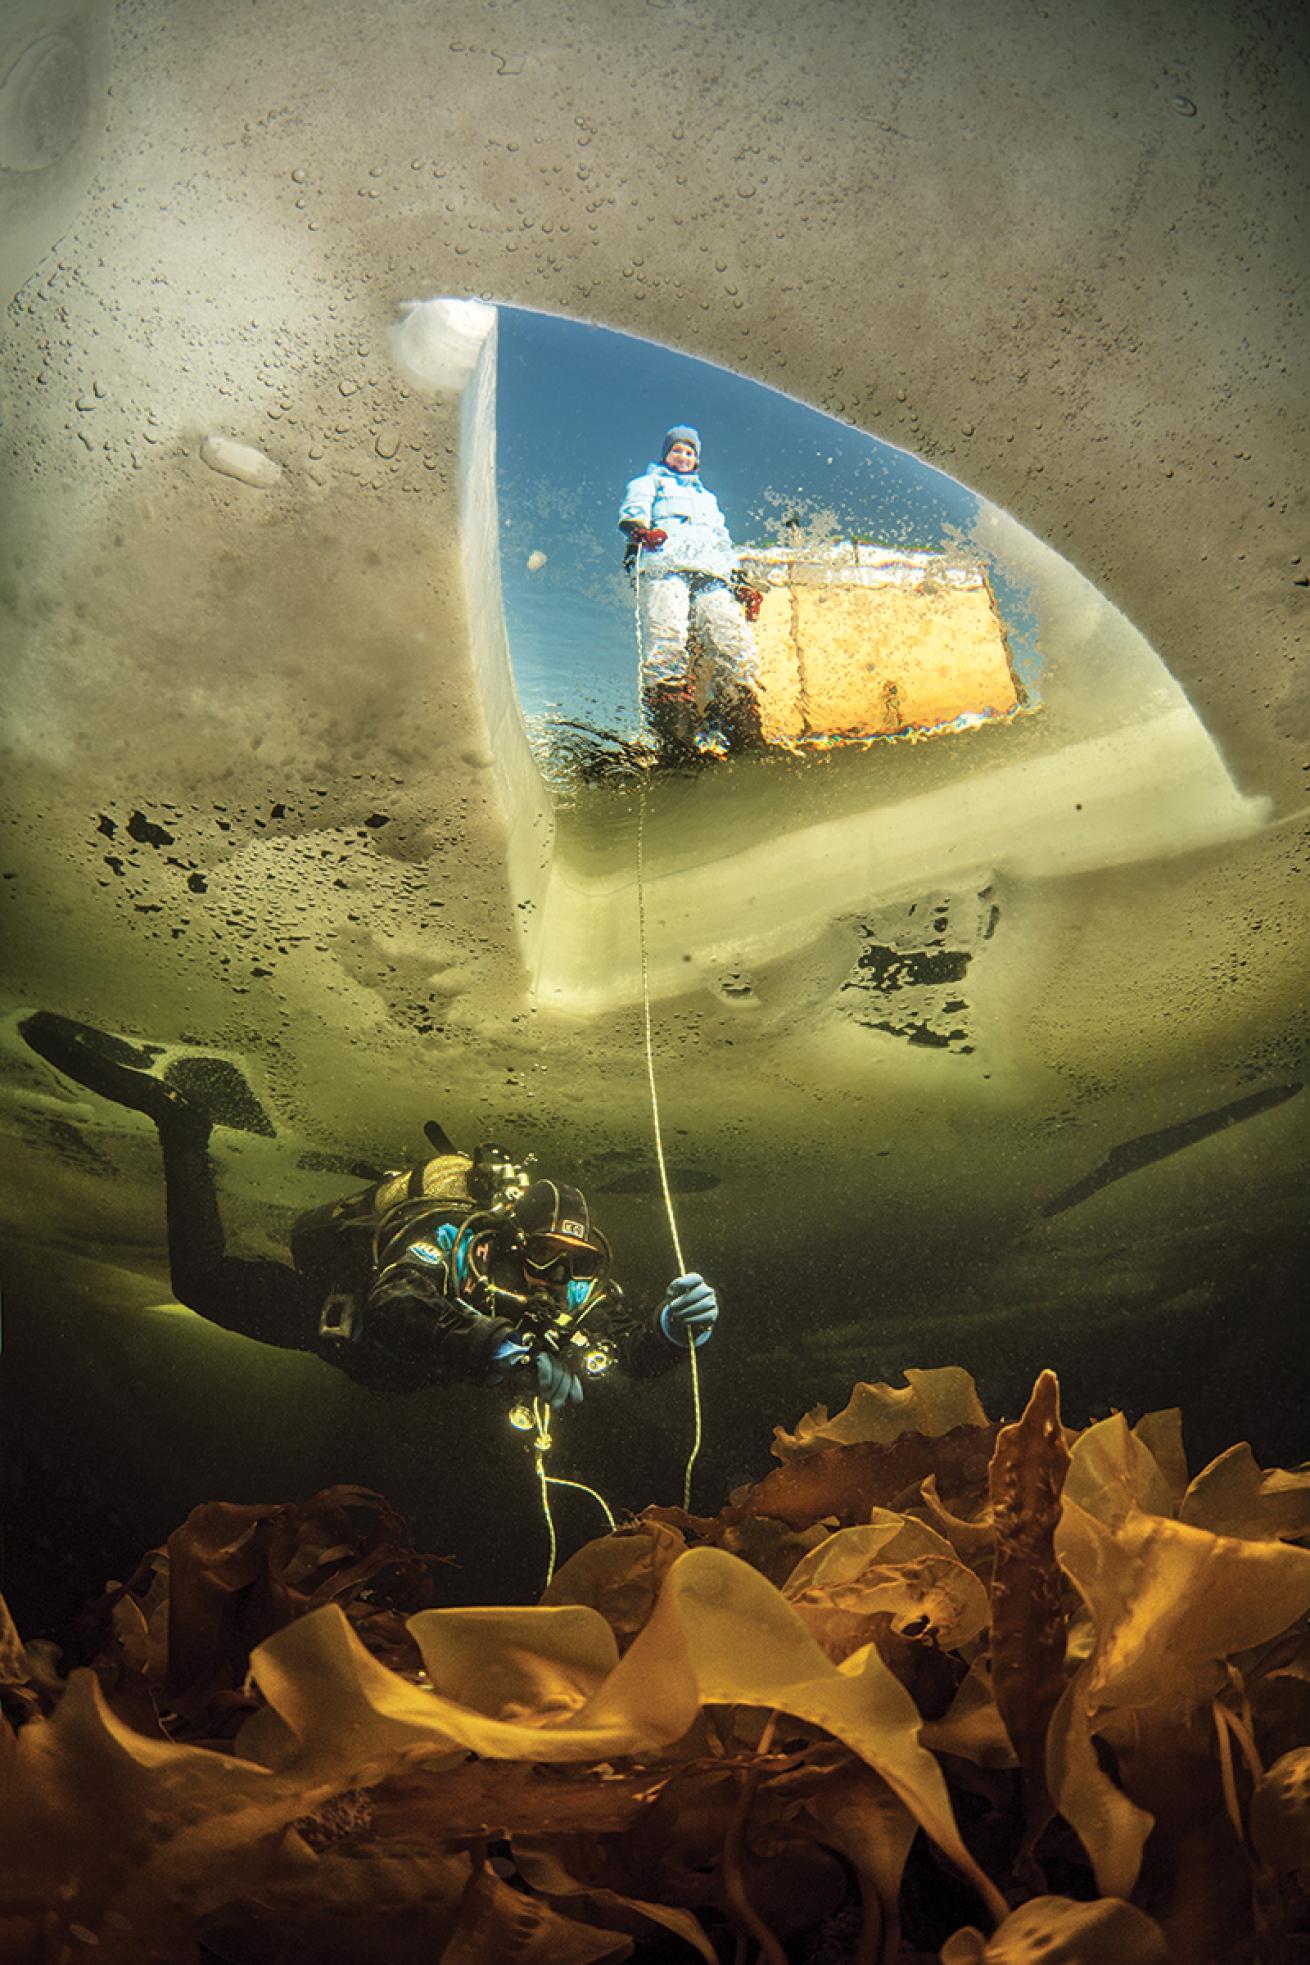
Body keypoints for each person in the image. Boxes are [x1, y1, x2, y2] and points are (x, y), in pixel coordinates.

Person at [19, 1012, 719, 1411]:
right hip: (331, 1315)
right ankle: (181, 1126)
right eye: (541, 1254)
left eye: (574, 1261)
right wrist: (496, 1347)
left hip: (401, 1373)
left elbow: (617, 1350)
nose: (553, 1275)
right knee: (198, 1283)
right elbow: (396, 1302)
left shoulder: (575, 1288)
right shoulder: (449, 1235)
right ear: (509, 1238)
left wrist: (665, 1330)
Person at [619, 425, 766, 760]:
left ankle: (745, 732)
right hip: (665, 567)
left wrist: (740, 581)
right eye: (677, 451)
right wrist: (641, 531)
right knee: (668, 637)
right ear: (666, 454)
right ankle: (676, 743)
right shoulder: (650, 482)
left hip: (711, 574)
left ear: (696, 459)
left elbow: (722, 540)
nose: (683, 457)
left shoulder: (708, 498)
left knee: (734, 641)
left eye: (689, 452)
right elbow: (634, 510)